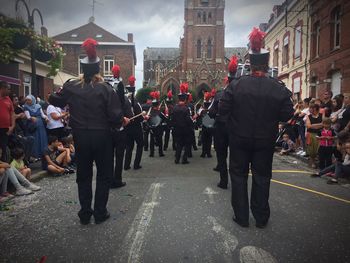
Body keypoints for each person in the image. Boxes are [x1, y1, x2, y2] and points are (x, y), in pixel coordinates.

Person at [219, 27, 294, 228]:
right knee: (262, 177)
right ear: (267, 63)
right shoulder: (277, 87)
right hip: (265, 140)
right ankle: (261, 217)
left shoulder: (235, 85)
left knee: (238, 175)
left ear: (250, 63)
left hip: (239, 139)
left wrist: (233, 129)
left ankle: (242, 217)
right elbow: (287, 114)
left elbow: (222, 111)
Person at [49, 38, 124, 225]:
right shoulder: (106, 89)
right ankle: (99, 212)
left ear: (82, 70)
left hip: (81, 137)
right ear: (98, 69)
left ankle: (84, 213)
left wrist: (59, 93)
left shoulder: (72, 86)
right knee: (104, 174)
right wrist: (118, 124)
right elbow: (115, 117)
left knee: (84, 175)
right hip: (102, 138)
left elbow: (54, 100)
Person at [107, 64, 132, 189]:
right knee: (119, 155)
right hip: (119, 127)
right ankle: (117, 179)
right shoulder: (120, 87)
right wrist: (124, 119)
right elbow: (122, 105)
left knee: (109, 156)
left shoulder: (106, 85)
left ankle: (110, 179)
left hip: (108, 128)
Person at [124, 76, 144, 170]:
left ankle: (126, 165)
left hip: (127, 127)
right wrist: (144, 118)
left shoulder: (124, 102)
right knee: (140, 144)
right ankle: (136, 164)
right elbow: (140, 116)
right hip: (136, 127)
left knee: (129, 146)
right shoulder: (135, 102)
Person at [173, 83, 193, 164]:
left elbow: (173, 119)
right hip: (185, 129)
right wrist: (192, 123)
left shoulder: (175, 108)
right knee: (187, 144)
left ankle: (177, 159)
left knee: (179, 144)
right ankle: (184, 159)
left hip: (177, 129)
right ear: (185, 99)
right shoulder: (186, 108)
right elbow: (188, 119)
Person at [145, 91, 166, 157]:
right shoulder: (159, 112)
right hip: (159, 128)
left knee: (151, 140)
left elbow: (147, 120)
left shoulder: (150, 112)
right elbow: (164, 118)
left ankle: (151, 153)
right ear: (157, 105)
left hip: (152, 128)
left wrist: (149, 126)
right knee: (160, 140)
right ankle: (160, 152)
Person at [0, 81, 15, 162]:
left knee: (3, 148)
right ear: (3, 88)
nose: (10, 91)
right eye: (8, 89)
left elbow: (12, 113)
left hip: (6, 129)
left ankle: (3, 168)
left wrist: (12, 126)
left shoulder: (8, 99)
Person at [305, 104, 323, 168]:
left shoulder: (321, 115)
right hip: (311, 135)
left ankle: (319, 162)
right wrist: (319, 125)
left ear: (315, 108)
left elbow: (323, 124)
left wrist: (313, 125)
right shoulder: (308, 116)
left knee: (318, 150)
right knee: (312, 150)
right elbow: (308, 126)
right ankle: (313, 162)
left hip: (319, 134)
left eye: (310, 108)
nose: (309, 109)